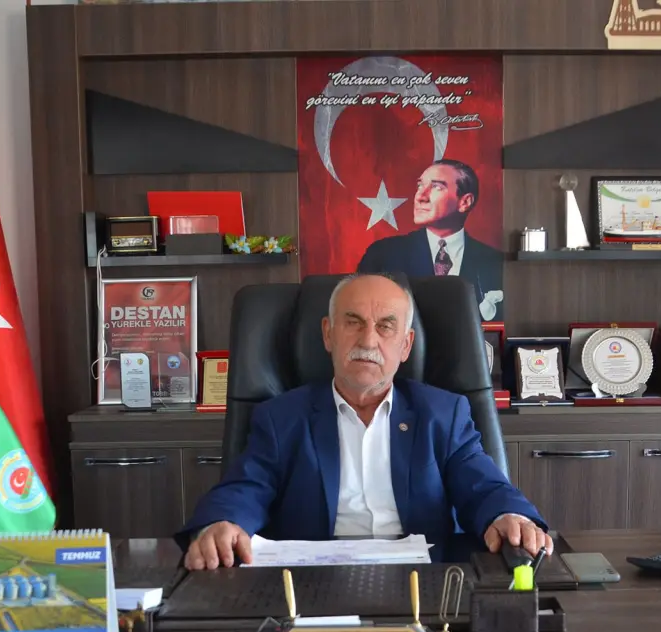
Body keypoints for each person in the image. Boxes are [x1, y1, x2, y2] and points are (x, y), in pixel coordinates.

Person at [178, 271, 550, 569]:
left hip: (423, 577)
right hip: (311, 579)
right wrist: (222, 523)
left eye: (386, 326)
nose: (368, 341)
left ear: (406, 345)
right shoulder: (281, 418)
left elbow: (482, 485)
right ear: (328, 334)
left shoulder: (442, 414)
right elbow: (246, 488)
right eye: (353, 322)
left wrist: (508, 515)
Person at [356, 159, 504, 319]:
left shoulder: (495, 263)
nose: (420, 197)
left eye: (436, 187)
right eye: (420, 186)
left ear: (465, 202)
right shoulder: (382, 255)